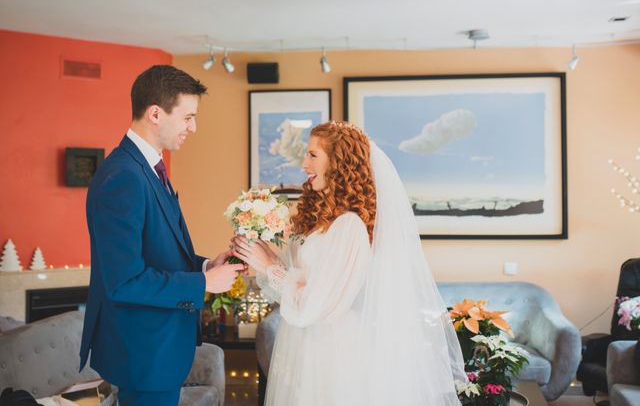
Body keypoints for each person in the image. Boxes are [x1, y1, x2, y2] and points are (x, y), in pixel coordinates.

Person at [233, 121, 466, 405]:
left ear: (339, 163)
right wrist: (257, 249)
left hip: (334, 350)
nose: (304, 163)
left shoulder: (349, 227)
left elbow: (318, 303)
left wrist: (269, 265)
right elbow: (300, 276)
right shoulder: (319, 221)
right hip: (305, 343)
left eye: (313, 155)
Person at [79, 65, 245, 406]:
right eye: (187, 117)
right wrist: (204, 285)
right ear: (155, 113)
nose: (193, 127)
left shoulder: (147, 169)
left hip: (158, 351)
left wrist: (204, 267)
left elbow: (158, 253)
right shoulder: (123, 176)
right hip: (143, 353)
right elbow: (124, 281)